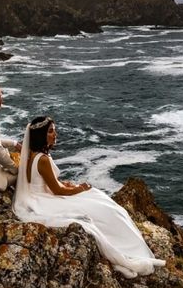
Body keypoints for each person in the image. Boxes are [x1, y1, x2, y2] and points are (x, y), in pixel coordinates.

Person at [12, 116, 166, 278]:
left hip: (41, 196)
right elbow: (58, 190)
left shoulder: (32, 155)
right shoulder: (42, 159)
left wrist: (68, 185)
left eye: (55, 131)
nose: (55, 135)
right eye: (51, 131)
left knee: (100, 202)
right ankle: (128, 248)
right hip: (45, 200)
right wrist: (79, 188)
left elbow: (45, 181)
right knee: (102, 206)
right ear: (40, 135)